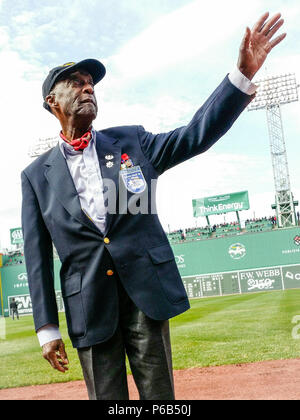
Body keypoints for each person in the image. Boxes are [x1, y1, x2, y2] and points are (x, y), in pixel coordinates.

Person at [21, 12, 286, 400]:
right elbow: (36, 256)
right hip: (89, 307)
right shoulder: (35, 175)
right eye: (76, 83)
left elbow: (194, 136)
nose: (88, 89)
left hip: (145, 295)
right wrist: (46, 328)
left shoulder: (131, 141)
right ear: (52, 101)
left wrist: (241, 76)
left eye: (91, 83)